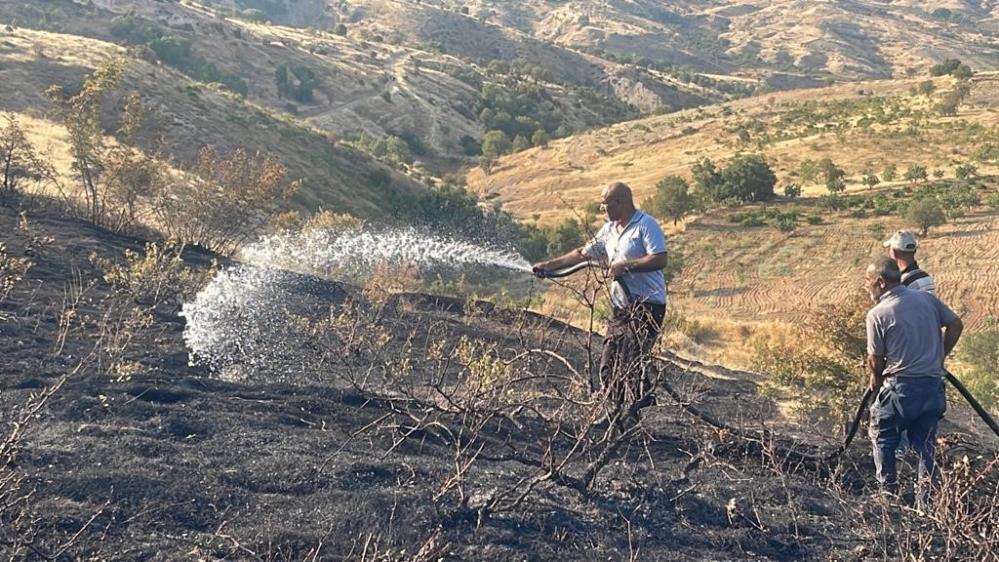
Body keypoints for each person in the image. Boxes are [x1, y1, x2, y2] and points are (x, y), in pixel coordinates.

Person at [533, 181, 668, 422]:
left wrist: (626, 266)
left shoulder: (646, 225)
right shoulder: (608, 230)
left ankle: (633, 411)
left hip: (647, 307)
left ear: (619, 202)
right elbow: (582, 254)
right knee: (609, 361)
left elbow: (659, 259)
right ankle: (614, 412)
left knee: (631, 360)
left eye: (604, 204)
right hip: (621, 308)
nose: (601, 208)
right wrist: (548, 266)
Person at [864, 257, 962, 504]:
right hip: (932, 388)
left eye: (868, 281)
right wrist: (940, 356)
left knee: (883, 436)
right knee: (924, 446)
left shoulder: (877, 314)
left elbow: (875, 358)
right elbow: (955, 324)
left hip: (901, 390)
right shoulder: (927, 300)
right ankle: (925, 504)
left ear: (880, 282)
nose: (867, 286)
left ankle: (888, 497)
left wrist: (875, 378)